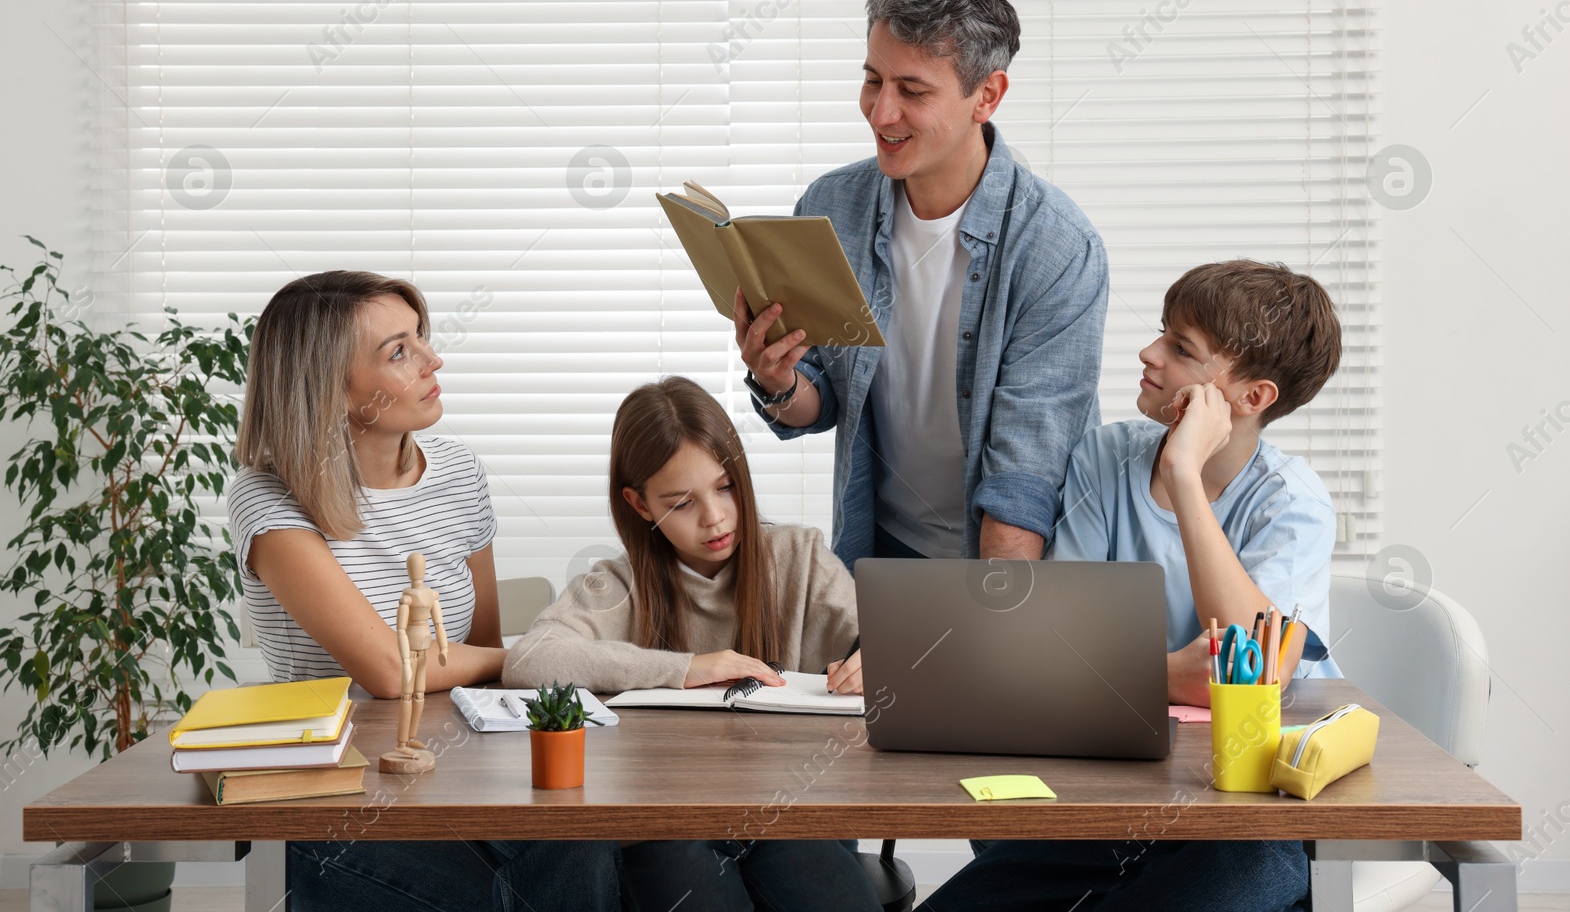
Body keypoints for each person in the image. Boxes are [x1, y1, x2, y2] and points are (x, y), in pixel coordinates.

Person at [921, 259, 1344, 912]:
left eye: (1181, 348)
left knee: (1238, 874)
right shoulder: (1104, 457)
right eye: (1161, 333)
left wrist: (1182, 471)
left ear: (1253, 397)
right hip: (1110, 797)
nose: (1148, 354)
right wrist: (1170, 671)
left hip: (1251, 811)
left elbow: (1251, 671)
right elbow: (1052, 655)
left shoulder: (1293, 505)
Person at [228, 270, 621, 912]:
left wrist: (513, 664)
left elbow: (484, 653)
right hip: (331, 790)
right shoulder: (267, 497)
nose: (433, 360)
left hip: (455, 767)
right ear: (327, 385)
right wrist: (541, 658)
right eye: (399, 352)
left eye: (421, 339)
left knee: (584, 844)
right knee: (491, 895)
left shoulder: (459, 472)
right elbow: (389, 669)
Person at [736, 0, 1109, 569]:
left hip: (1009, 564)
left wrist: (986, 633)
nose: (881, 113)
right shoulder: (831, 207)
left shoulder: (1057, 249)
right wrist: (779, 382)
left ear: (986, 95)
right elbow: (827, 398)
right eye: (873, 80)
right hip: (884, 554)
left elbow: (1025, 483)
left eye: (912, 91)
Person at [502, 376, 878, 912]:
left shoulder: (801, 557)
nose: (715, 516)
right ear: (640, 504)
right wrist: (683, 668)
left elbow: (893, 645)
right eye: (681, 503)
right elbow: (530, 658)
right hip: (665, 823)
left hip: (788, 812)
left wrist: (879, 660)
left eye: (725, 487)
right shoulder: (617, 583)